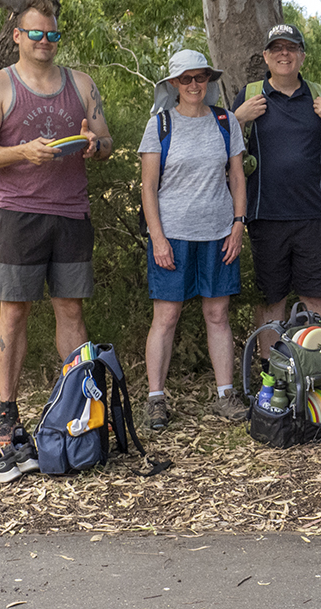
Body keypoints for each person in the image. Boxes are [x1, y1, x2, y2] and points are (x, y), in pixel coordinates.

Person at [0, 0, 113, 455]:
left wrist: (96, 143)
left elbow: (107, 141)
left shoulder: (81, 84)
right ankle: (6, 415)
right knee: (15, 311)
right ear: (17, 36)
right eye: (36, 34)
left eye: (52, 35)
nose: (45, 42)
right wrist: (22, 152)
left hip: (71, 212)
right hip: (19, 214)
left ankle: (81, 407)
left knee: (70, 311)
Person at [140, 51, 247, 429]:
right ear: (172, 85)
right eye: (185, 79)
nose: (193, 85)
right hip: (173, 235)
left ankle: (226, 394)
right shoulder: (160, 124)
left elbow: (237, 176)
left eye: (200, 78)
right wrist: (158, 237)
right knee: (166, 316)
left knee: (217, 314)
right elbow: (148, 187)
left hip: (218, 233)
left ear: (209, 80)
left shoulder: (225, 121)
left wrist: (238, 224)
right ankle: (155, 398)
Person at [232, 23, 321, 354]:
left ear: (302, 56)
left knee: (316, 297)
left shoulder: (318, 95)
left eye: (291, 48)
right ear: (266, 57)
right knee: (272, 299)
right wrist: (237, 118)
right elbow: (225, 153)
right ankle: (272, 374)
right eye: (277, 48)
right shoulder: (250, 94)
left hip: (310, 214)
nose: (285, 54)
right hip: (264, 214)